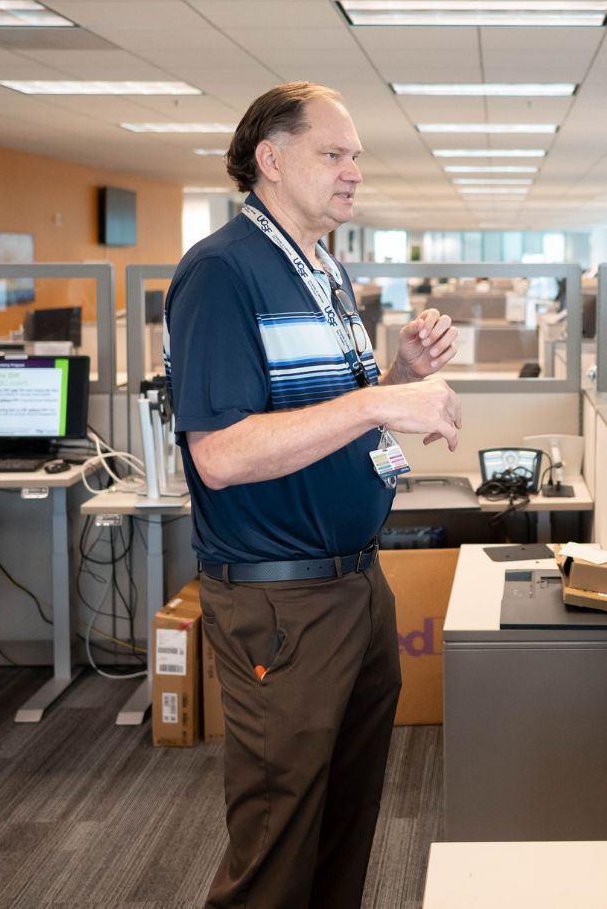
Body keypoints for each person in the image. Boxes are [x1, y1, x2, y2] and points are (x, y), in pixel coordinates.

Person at [165, 81, 462, 909]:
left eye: (356, 156)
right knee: (278, 842)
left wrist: (399, 375)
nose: (353, 172)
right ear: (271, 158)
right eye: (334, 154)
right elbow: (220, 455)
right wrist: (379, 401)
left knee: (344, 820)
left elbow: (330, 426)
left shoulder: (323, 270)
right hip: (281, 604)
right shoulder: (224, 274)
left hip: (354, 585)